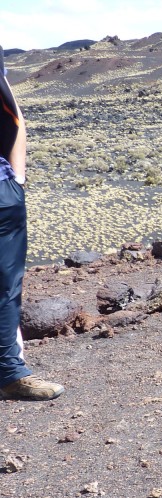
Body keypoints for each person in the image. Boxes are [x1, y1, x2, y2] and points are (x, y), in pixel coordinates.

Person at [0, 45, 63, 400]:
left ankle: (11, 374)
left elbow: (12, 112)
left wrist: (16, 180)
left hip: (3, 192)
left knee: (6, 288)